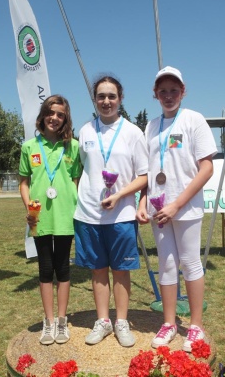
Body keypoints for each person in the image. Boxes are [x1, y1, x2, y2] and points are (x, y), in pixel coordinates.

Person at [136, 66, 217, 352]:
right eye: (163, 91)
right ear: (155, 94)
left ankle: (195, 325)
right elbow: (148, 170)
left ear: (183, 92)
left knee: (190, 262)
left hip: (185, 207)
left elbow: (206, 168)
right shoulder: (151, 125)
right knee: (167, 265)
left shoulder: (194, 120)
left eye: (174, 90)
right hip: (159, 208)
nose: (168, 95)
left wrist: (177, 204)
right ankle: (169, 323)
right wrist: (143, 201)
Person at [73, 75, 149, 347]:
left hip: (121, 214)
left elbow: (144, 176)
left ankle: (121, 322)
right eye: (101, 96)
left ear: (120, 99)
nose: (106, 101)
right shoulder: (85, 131)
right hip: (89, 215)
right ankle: (103, 321)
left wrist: (118, 196)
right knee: (97, 270)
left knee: (120, 271)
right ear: (94, 99)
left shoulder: (132, 132)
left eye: (111, 96)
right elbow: (80, 170)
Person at [19, 95, 81, 345]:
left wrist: (72, 199)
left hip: (65, 214)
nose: (55, 118)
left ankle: (62, 321)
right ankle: (49, 321)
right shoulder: (29, 147)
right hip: (38, 215)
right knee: (45, 269)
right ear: (43, 115)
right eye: (51, 113)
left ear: (65, 119)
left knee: (63, 267)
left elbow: (76, 178)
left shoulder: (73, 147)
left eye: (60, 115)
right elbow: (24, 182)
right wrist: (29, 206)